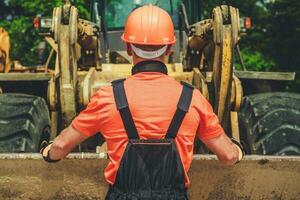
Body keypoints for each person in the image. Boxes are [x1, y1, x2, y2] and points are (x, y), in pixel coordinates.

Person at [40, 4, 244, 200]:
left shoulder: (108, 97)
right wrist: (237, 149)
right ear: (170, 48)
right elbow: (228, 156)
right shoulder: (193, 98)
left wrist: (49, 152)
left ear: (128, 48)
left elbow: (60, 148)